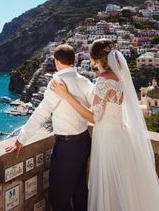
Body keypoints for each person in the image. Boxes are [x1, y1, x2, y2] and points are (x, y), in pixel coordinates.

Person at [50, 39, 159, 211]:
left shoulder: (103, 80)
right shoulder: (119, 78)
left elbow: (94, 117)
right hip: (122, 135)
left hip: (107, 139)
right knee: (122, 187)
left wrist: (66, 95)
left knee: (108, 186)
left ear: (94, 59)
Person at [5, 44, 94, 211]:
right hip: (84, 142)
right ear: (74, 60)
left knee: (58, 197)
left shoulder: (57, 83)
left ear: (56, 61)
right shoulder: (85, 81)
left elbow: (42, 113)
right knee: (79, 191)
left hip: (67, 147)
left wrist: (21, 139)